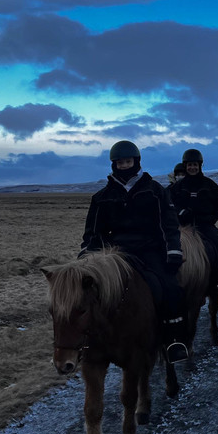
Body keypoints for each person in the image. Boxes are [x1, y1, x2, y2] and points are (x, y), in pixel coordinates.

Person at [80, 140, 189, 362]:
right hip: (115, 254)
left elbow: (169, 225)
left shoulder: (155, 190)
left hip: (150, 250)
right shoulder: (101, 197)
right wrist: (86, 255)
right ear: (113, 165)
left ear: (136, 162)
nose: (124, 166)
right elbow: (93, 231)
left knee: (170, 287)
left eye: (127, 161)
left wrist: (173, 251)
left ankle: (174, 339)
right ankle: (87, 342)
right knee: (88, 293)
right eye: (120, 163)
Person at [168, 148, 218, 296]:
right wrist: (180, 213)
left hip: (205, 226)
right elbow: (169, 205)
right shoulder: (177, 187)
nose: (192, 167)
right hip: (183, 226)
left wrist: (212, 218)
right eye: (189, 165)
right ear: (185, 166)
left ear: (200, 165)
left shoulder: (210, 185)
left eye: (195, 165)